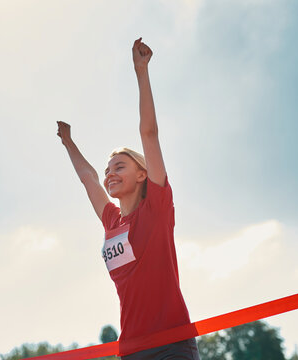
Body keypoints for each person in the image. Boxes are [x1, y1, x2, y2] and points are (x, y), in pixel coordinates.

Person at [57, 38, 200, 360]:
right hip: (132, 350)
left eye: (119, 166)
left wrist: (141, 71)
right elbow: (87, 178)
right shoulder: (111, 220)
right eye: (108, 169)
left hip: (172, 344)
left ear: (141, 175)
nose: (109, 173)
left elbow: (149, 133)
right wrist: (68, 142)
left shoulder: (157, 207)